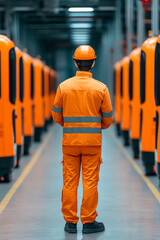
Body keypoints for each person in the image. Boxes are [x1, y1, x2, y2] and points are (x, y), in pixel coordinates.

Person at [52, 45, 113, 234]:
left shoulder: (64, 87)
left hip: (70, 143)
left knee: (70, 182)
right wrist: (96, 126)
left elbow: (56, 115)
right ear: (93, 63)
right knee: (90, 182)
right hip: (92, 143)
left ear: (75, 63)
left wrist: (70, 126)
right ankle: (88, 222)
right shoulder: (101, 88)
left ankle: (70, 223)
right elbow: (108, 118)